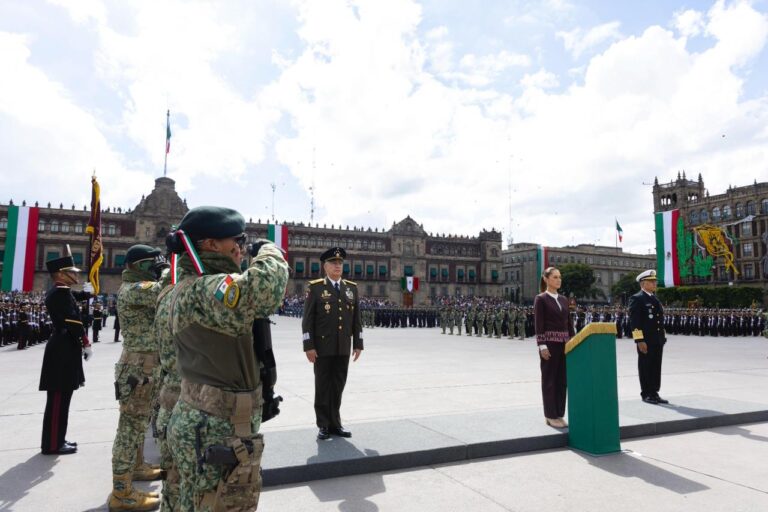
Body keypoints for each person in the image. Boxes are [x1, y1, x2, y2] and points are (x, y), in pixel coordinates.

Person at [166, 206, 288, 511]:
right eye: (237, 239)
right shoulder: (205, 289)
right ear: (210, 245)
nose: (242, 248)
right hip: (214, 428)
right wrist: (270, 251)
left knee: (192, 501)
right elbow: (265, 289)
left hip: (203, 421)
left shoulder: (185, 287)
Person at [108, 244, 167, 512]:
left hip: (145, 369)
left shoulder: (138, 288)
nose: (155, 270)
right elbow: (163, 290)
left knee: (139, 424)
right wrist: (169, 270)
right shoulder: (135, 290)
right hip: (137, 371)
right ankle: (121, 492)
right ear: (137, 266)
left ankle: (137, 467)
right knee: (128, 429)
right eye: (151, 265)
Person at [302, 247, 363, 440]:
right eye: (333, 263)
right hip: (322, 348)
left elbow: (356, 319)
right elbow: (307, 320)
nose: (337, 266)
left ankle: (336, 423)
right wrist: (308, 346)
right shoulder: (316, 288)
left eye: (340, 263)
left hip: (343, 347)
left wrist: (358, 342)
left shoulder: (350, 288)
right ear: (325, 266)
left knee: (338, 386)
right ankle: (323, 425)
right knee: (322, 386)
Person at [39, 251, 93, 455]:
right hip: (62, 348)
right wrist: (85, 341)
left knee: (63, 398)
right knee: (59, 399)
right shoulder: (59, 294)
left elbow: (73, 299)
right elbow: (72, 321)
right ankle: (52, 444)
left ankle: (58, 439)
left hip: (64, 347)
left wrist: (87, 294)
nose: (76, 275)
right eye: (71, 271)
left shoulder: (62, 291)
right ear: (61, 275)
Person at [534, 267, 573, 429]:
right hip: (549, 345)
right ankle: (550, 415)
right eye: (555, 277)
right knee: (549, 380)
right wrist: (542, 346)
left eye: (560, 277)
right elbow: (539, 324)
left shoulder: (564, 299)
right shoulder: (541, 299)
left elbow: (569, 324)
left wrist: (573, 341)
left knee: (562, 381)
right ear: (546, 279)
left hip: (564, 345)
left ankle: (559, 413)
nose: (559, 280)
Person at [629, 269, 668, 405]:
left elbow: (659, 320)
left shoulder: (654, 298)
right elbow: (635, 322)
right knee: (646, 366)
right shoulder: (637, 298)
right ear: (643, 283)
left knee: (656, 366)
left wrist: (662, 338)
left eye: (655, 281)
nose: (654, 284)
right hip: (646, 341)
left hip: (657, 340)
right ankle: (646, 393)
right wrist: (639, 340)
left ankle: (654, 392)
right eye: (651, 282)